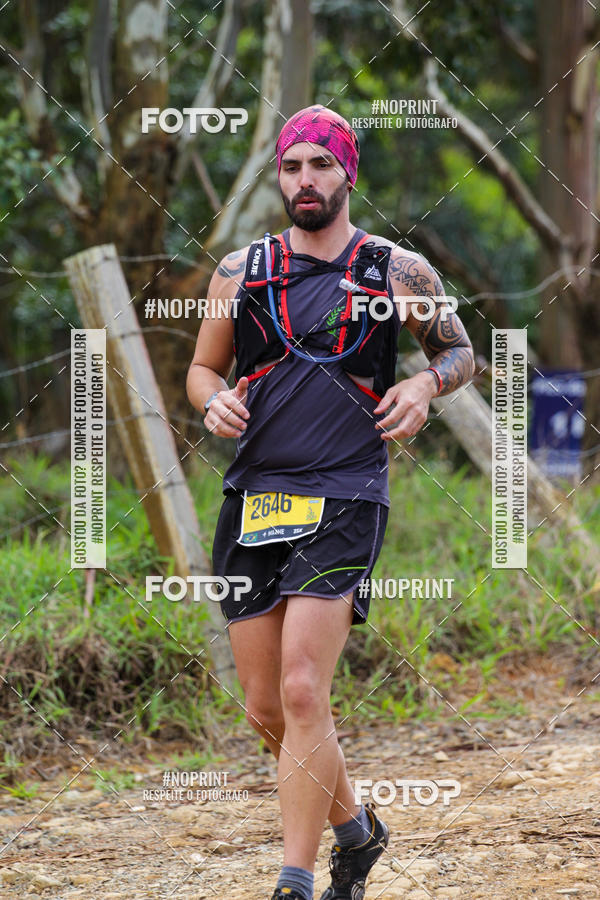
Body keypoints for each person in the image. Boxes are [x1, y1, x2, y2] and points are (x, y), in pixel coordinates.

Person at [186, 104, 475, 900]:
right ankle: (357, 829)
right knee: (266, 708)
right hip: (254, 495)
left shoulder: (394, 269)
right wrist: (211, 401)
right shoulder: (241, 271)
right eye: (291, 166)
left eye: (320, 164)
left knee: (307, 689)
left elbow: (458, 350)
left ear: (348, 172)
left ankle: (295, 881)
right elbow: (202, 369)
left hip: (345, 491)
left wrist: (421, 380)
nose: (305, 180)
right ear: (278, 175)